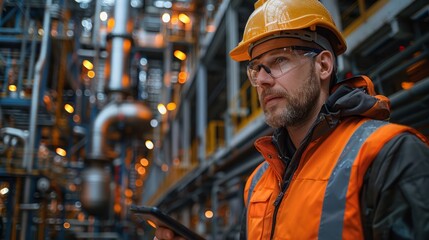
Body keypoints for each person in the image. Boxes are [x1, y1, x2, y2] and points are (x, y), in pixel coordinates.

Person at [154, 0, 429, 239]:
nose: (262, 80)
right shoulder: (258, 182)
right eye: (256, 69)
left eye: (280, 61)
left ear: (323, 65)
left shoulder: (389, 155)